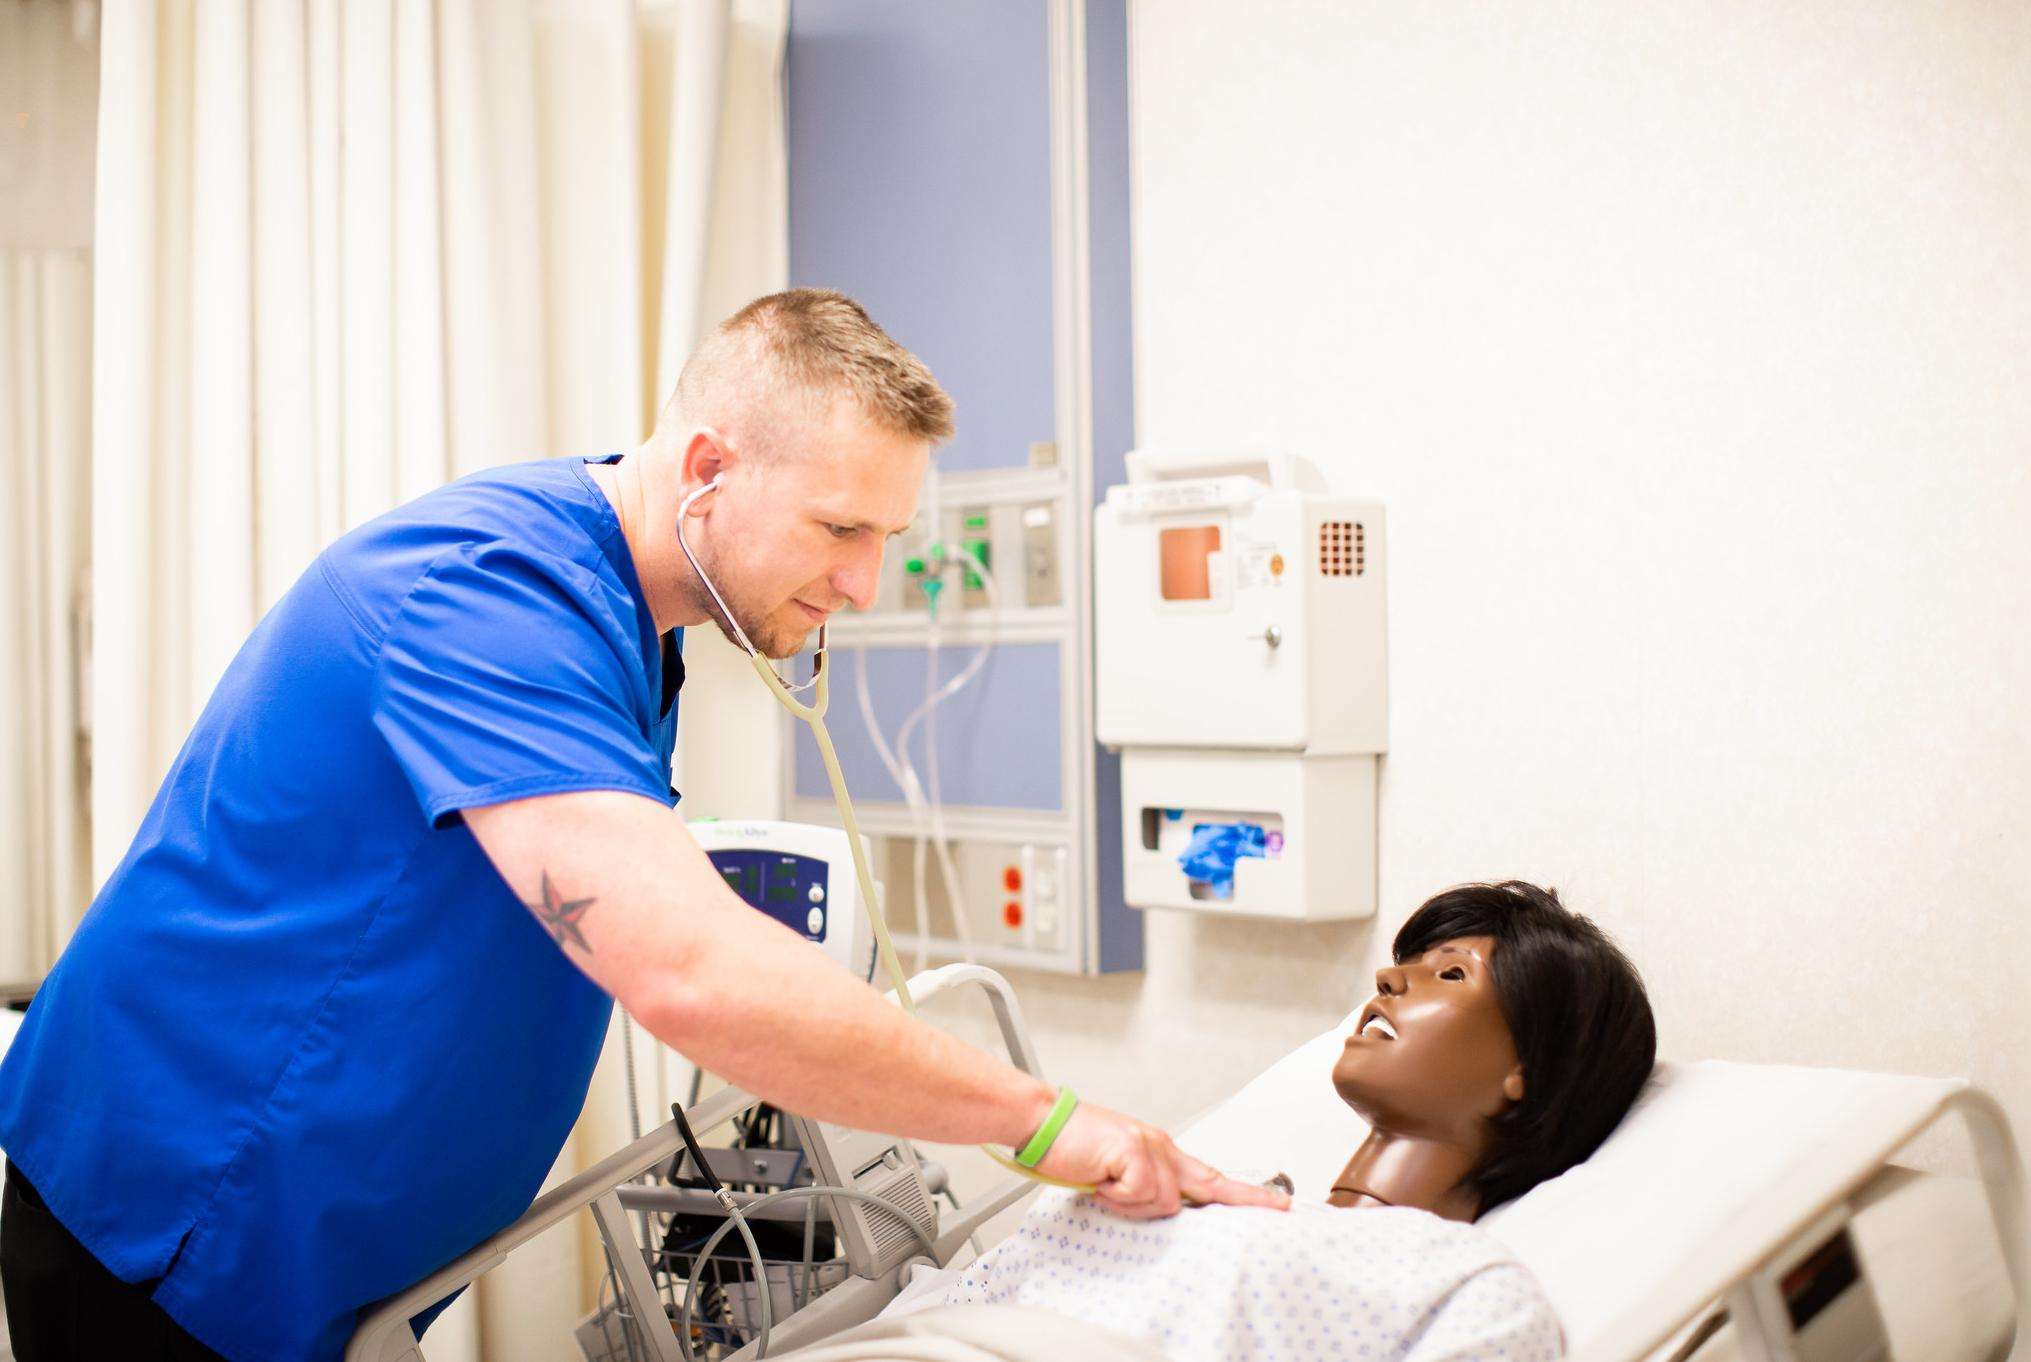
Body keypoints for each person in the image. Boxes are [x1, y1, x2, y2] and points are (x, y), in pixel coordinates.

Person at [0, 290, 1283, 1362]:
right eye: (840, 528)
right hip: (178, 1215)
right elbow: (684, 969)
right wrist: (1054, 1123)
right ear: (711, 468)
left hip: (305, 1238)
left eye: (886, 538)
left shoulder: (624, 624)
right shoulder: (486, 598)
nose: (861, 585)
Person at [907, 881, 1656, 1361]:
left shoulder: (1466, 1287)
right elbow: (936, 1312)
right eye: (1410, 962)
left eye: (1450, 973)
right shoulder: (1166, 1186)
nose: (1390, 978)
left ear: (1520, 1075)